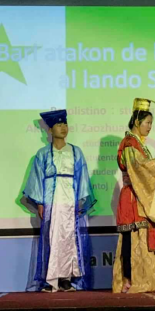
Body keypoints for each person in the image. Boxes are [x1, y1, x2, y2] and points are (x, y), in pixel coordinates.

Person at [23, 109, 96, 292]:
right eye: (59, 124)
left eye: (65, 124)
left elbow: (82, 178)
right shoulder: (43, 154)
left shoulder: (76, 152)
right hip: (51, 201)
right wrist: (40, 202)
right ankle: (51, 279)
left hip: (69, 200)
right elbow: (37, 178)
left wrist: (81, 201)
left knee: (69, 238)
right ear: (50, 129)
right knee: (52, 237)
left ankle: (66, 278)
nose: (63, 127)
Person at [112, 98, 155, 293]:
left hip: (139, 195)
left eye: (151, 123)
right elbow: (139, 168)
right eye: (147, 123)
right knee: (132, 239)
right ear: (137, 122)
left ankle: (149, 280)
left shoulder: (139, 144)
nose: (149, 127)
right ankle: (128, 279)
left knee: (142, 238)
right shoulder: (130, 143)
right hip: (133, 196)